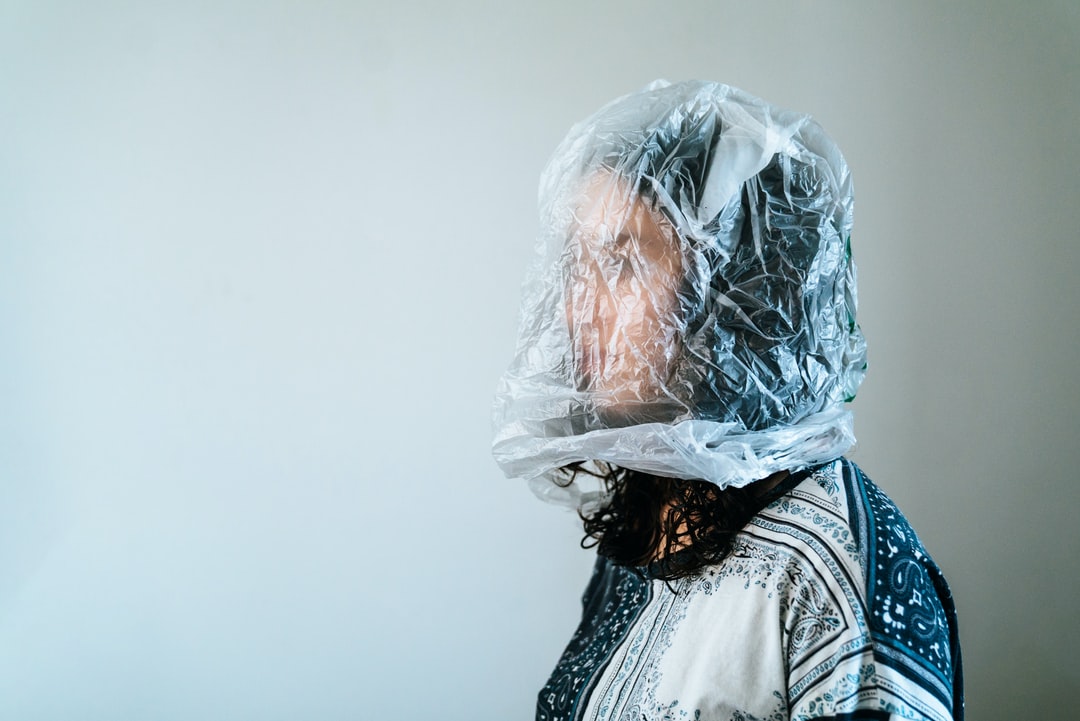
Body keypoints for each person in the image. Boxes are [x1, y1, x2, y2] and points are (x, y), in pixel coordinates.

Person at [493, 80, 963, 721]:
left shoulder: (836, 585)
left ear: (736, 286)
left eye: (621, 264)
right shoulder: (646, 522)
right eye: (578, 270)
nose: (578, 311)